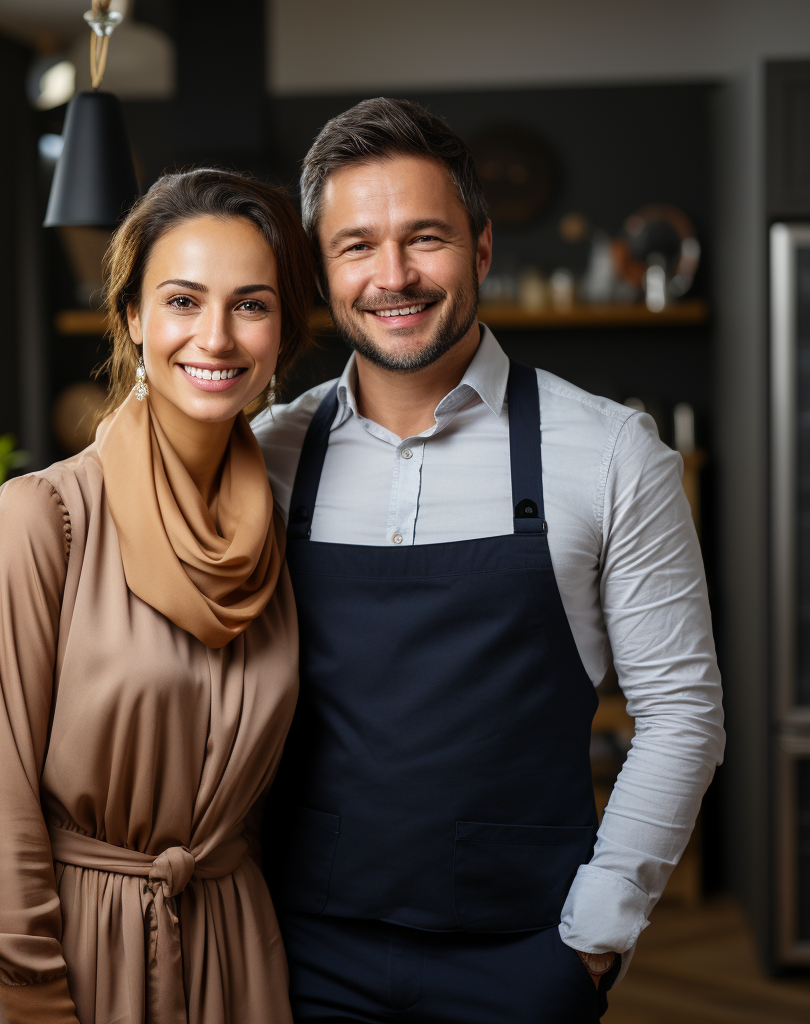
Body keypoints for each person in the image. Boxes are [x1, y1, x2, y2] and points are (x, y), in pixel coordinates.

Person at [253, 98, 726, 1024]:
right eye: (356, 246)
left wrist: (592, 942)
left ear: (481, 245)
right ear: (320, 267)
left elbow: (682, 714)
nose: (392, 276)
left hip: (522, 962)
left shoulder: (611, 451)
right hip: (299, 953)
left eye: (424, 237)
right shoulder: (266, 456)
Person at [0, 169, 316, 1024]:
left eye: (251, 305)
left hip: (230, 952)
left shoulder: (287, 527)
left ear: (283, 330)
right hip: (65, 953)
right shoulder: (45, 519)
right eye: (183, 301)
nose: (215, 337)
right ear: (134, 319)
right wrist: (35, 990)